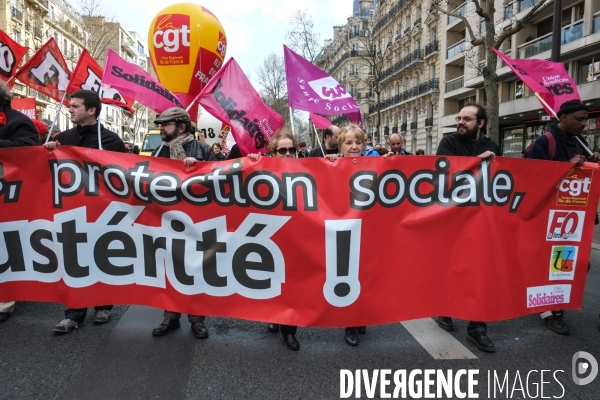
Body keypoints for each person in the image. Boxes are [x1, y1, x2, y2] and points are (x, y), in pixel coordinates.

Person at [42, 89, 126, 333]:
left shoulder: (112, 141)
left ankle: (103, 305)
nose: (70, 109)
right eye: (69, 106)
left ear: (91, 110)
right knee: (73, 260)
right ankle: (73, 314)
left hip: (102, 213)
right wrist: (46, 152)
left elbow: (125, 176)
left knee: (101, 257)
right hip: (71, 212)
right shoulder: (63, 139)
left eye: (75, 106)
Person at [525, 99, 599, 335]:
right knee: (550, 264)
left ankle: (555, 304)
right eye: (579, 119)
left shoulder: (582, 143)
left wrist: (591, 164)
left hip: (573, 217)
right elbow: (530, 176)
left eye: (585, 119)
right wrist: (565, 166)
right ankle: (550, 310)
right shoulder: (544, 142)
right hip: (547, 218)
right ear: (563, 118)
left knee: (574, 264)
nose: (584, 124)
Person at [435, 102, 500, 353]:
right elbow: (446, 176)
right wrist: (476, 162)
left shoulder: (491, 146)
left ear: (480, 123)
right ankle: (446, 308)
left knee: (481, 270)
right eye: (459, 118)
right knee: (452, 266)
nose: (460, 122)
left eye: (466, 119)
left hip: (482, 219)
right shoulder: (448, 143)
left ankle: (477, 328)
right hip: (453, 219)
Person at [150, 107, 214, 339]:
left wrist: (198, 169)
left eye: (166, 125)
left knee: (196, 269)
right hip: (166, 221)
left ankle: (197, 319)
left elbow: (224, 180)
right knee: (170, 270)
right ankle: (171, 317)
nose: (161, 129)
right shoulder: (158, 150)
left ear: (181, 127)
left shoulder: (204, 149)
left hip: (198, 222)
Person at [247, 130, 301, 350]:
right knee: (272, 280)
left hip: (297, 238)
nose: (288, 154)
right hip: (271, 237)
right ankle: (273, 316)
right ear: (273, 152)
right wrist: (251, 163)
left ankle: (289, 330)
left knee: (294, 284)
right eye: (283, 150)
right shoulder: (263, 168)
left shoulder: (310, 169)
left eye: (292, 150)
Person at [326, 123, 377, 346]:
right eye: (349, 142)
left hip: (370, 230)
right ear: (341, 145)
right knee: (348, 275)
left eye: (358, 142)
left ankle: (361, 316)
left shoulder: (378, 165)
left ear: (364, 145)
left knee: (366, 275)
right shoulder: (332, 165)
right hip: (344, 232)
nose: (354, 146)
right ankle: (350, 323)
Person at [0, 81, 38, 322]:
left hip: (9, 196)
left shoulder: (17, 120)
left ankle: (5, 303)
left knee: (6, 248)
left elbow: (28, 150)